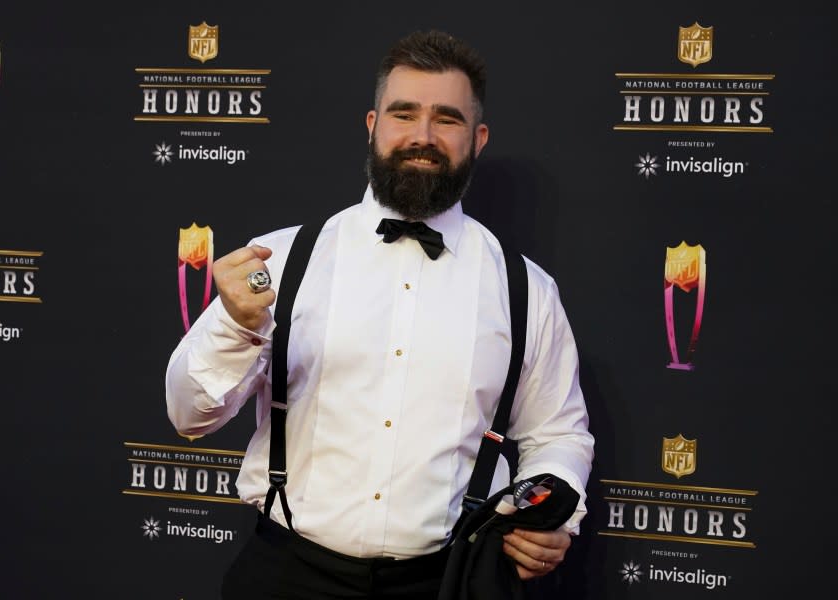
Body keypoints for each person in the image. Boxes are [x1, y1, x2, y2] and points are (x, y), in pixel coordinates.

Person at [165, 29, 594, 600]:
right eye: (403, 113)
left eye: (447, 118)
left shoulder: (526, 289)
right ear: (372, 125)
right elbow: (188, 416)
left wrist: (553, 515)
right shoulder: (282, 260)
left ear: (478, 137)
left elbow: (557, 432)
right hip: (286, 575)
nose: (422, 136)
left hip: (445, 581)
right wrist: (236, 325)